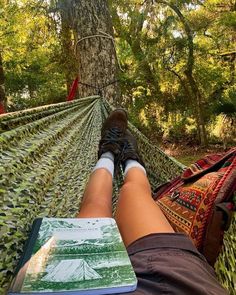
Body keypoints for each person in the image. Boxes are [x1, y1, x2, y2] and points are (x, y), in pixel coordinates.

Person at [77, 109, 227, 295]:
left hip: (80, 281)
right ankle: (131, 159)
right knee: (134, 191)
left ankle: (108, 153)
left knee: (94, 206)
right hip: (170, 277)